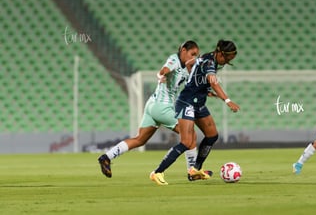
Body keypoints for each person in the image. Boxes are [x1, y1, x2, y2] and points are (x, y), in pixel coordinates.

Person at [98, 40, 203, 179]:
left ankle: (106, 157)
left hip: (152, 105)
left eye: (196, 55)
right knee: (190, 134)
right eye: (192, 54)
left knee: (140, 139)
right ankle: (192, 172)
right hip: (162, 107)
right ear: (183, 51)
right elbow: (164, 70)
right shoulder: (174, 59)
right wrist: (161, 75)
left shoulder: (187, 68)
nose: (194, 57)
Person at [150, 39, 240, 185]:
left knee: (212, 135)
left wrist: (200, 86)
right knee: (186, 142)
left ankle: (195, 170)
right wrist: (228, 100)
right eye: (227, 58)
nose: (227, 62)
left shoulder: (208, 59)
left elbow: (190, 64)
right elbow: (213, 80)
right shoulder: (210, 62)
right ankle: (157, 172)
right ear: (220, 53)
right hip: (186, 102)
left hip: (198, 103)